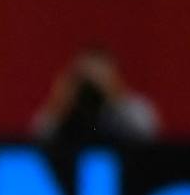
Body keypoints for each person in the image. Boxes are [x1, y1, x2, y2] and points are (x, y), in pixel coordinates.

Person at [32, 47, 160, 142]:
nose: (92, 86)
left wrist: (115, 99)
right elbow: (36, 140)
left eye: (99, 76)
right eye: (85, 77)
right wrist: (60, 103)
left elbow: (149, 138)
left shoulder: (136, 107)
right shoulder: (66, 108)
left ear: (115, 76)